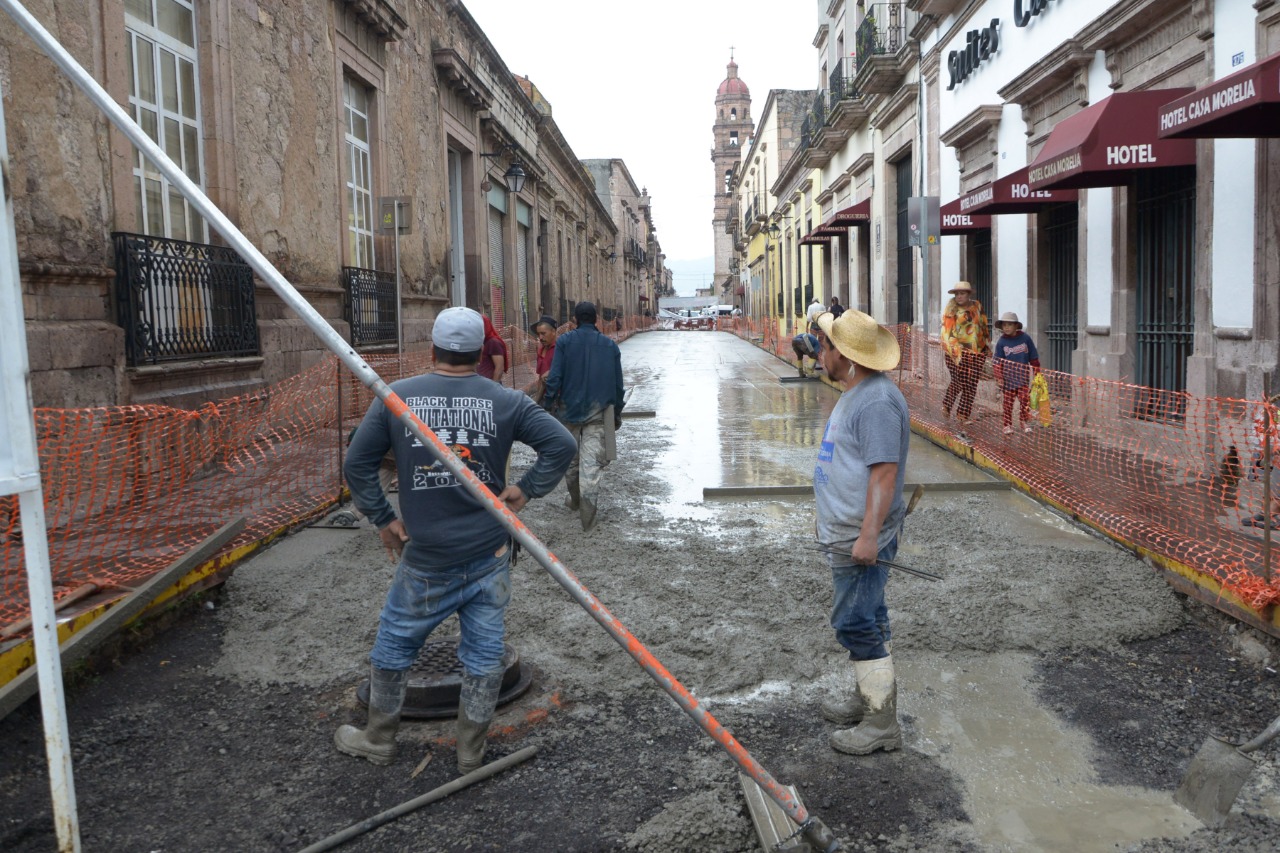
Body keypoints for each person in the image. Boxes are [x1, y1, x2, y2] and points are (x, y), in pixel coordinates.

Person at [337, 306, 576, 773]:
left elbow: (357, 465)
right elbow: (561, 445)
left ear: (432, 349)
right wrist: (525, 490)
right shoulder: (505, 401)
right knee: (485, 652)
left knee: (395, 644)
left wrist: (384, 518)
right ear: (481, 351)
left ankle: (379, 738)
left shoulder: (397, 398)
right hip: (490, 552)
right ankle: (471, 751)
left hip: (427, 555)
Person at [812, 308, 910, 756]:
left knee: (854, 621)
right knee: (869, 615)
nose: (820, 352)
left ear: (845, 356)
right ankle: (869, 695)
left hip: (860, 538)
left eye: (826, 345)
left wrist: (868, 536)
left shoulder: (876, 402)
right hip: (848, 533)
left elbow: (883, 475)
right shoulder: (858, 391)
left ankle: (881, 723)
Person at [543, 301, 625, 531]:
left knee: (570, 463)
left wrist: (548, 404)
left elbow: (555, 376)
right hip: (598, 413)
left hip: (568, 411)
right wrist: (616, 412)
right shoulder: (610, 347)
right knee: (591, 466)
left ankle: (576, 500)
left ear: (575, 320)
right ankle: (588, 517)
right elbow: (619, 386)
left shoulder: (565, 342)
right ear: (597, 319)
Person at [939, 281, 990, 425]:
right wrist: (955, 352)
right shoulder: (951, 310)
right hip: (955, 353)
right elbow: (947, 333)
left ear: (968, 294)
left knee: (972, 383)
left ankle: (963, 415)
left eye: (962, 293)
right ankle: (947, 405)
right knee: (959, 381)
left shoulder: (977, 306)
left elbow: (983, 325)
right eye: (957, 294)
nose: (959, 296)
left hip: (976, 352)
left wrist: (986, 344)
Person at [991, 311, 1041, 435]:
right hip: (1008, 379)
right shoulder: (1001, 342)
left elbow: (1033, 357)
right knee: (1008, 403)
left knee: (1025, 401)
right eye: (1004, 325)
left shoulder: (1025, 338)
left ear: (1016, 326)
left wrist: (1037, 373)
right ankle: (1007, 424)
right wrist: (999, 377)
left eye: (1009, 324)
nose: (1006, 327)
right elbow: (997, 361)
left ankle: (1024, 422)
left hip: (1022, 378)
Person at [523, 316, 558, 403]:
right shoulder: (540, 348)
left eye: (543, 333)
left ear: (553, 331)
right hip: (544, 397)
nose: (540, 337)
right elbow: (540, 377)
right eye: (538, 334)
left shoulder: (561, 348)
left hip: (557, 397)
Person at [477, 315, 509, 385]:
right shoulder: (479, 341)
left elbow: (499, 367)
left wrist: (493, 387)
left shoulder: (493, 342)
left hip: (489, 385)